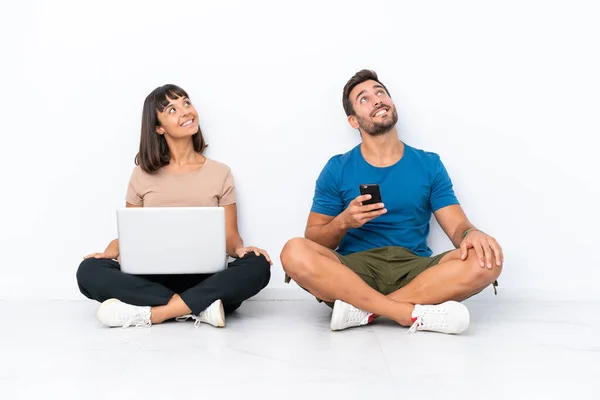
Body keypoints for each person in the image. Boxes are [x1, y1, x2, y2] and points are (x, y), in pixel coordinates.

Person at [280, 69, 502, 334]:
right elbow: (313, 241)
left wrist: (471, 234)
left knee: (487, 259)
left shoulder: (429, 164)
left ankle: (365, 310)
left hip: (416, 270)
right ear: (353, 121)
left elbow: (458, 228)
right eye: (364, 99)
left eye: (380, 92)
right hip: (354, 272)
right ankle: (405, 313)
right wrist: (343, 222)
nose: (377, 100)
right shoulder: (336, 168)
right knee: (293, 250)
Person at [77, 84, 271, 329]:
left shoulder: (220, 173)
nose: (185, 111)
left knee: (258, 264)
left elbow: (230, 238)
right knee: (88, 271)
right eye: (171, 109)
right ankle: (200, 307)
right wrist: (111, 249)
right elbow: (131, 235)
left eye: (186, 103)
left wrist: (242, 250)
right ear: (158, 127)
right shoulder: (141, 175)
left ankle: (155, 313)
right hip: (153, 278)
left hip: (204, 277)